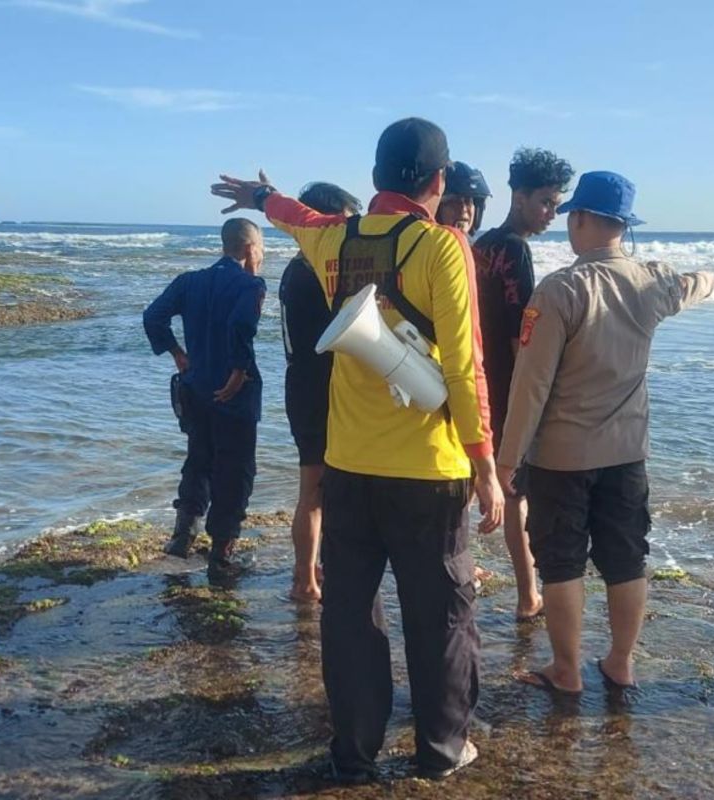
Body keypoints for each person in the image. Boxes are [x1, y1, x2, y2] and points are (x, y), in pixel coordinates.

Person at [210, 117, 504, 781]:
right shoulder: (443, 247)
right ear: (437, 181)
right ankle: (442, 749)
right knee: (443, 618)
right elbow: (465, 364)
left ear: (374, 178)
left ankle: (355, 749)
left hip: (346, 466)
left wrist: (258, 199)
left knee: (349, 614)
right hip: (429, 472)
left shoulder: (336, 239)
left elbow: (292, 215)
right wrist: (485, 463)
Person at [497, 171, 714, 694]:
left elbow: (531, 385)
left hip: (561, 456)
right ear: (623, 226)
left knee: (561, 561)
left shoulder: (560, 290)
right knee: (625, 558)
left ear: (580, 220)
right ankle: (621, 661)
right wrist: (709, 278)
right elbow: (696, 283)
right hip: (626, 452)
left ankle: (567, 670)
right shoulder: (652, 283)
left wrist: (506, 460)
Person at [474, 147, 575, 622]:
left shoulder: (482, 244)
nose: (552, 213)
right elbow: (522, 339)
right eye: (545, 202)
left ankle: (470, 571)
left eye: (556, 204)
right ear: (517, 196)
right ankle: (526, 593)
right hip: (504, 390)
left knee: (483, 486)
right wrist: (530, 402)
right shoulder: (513, 250)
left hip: (475, 384)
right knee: (515, 494)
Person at [143, 218, 267, 578]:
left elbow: (153, 317)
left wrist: (177, 353)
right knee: (236, 470)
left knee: (199, 457)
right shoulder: (250, 285)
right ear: (249, 249)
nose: (262, 254)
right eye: (260, 247)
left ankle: (182, 536)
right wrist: (240, 369)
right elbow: (242, 325)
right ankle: (221, 554)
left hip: (195, 386)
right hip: (234, 390)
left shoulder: (190, 281)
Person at [279, 182, 362, 603]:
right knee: (314, 491)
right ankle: (304, 578)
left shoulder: (298, 269)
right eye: (342, 221)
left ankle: (312, 571)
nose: (346, 231)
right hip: (319, 390)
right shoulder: (313, 273)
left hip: (301, 385)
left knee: (316, 489)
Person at [436, 161, 491, 237]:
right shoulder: (427, 247)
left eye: (468, 201)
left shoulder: (483, 248)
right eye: (454, 201)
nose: (463, 209)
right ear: (438, 209)